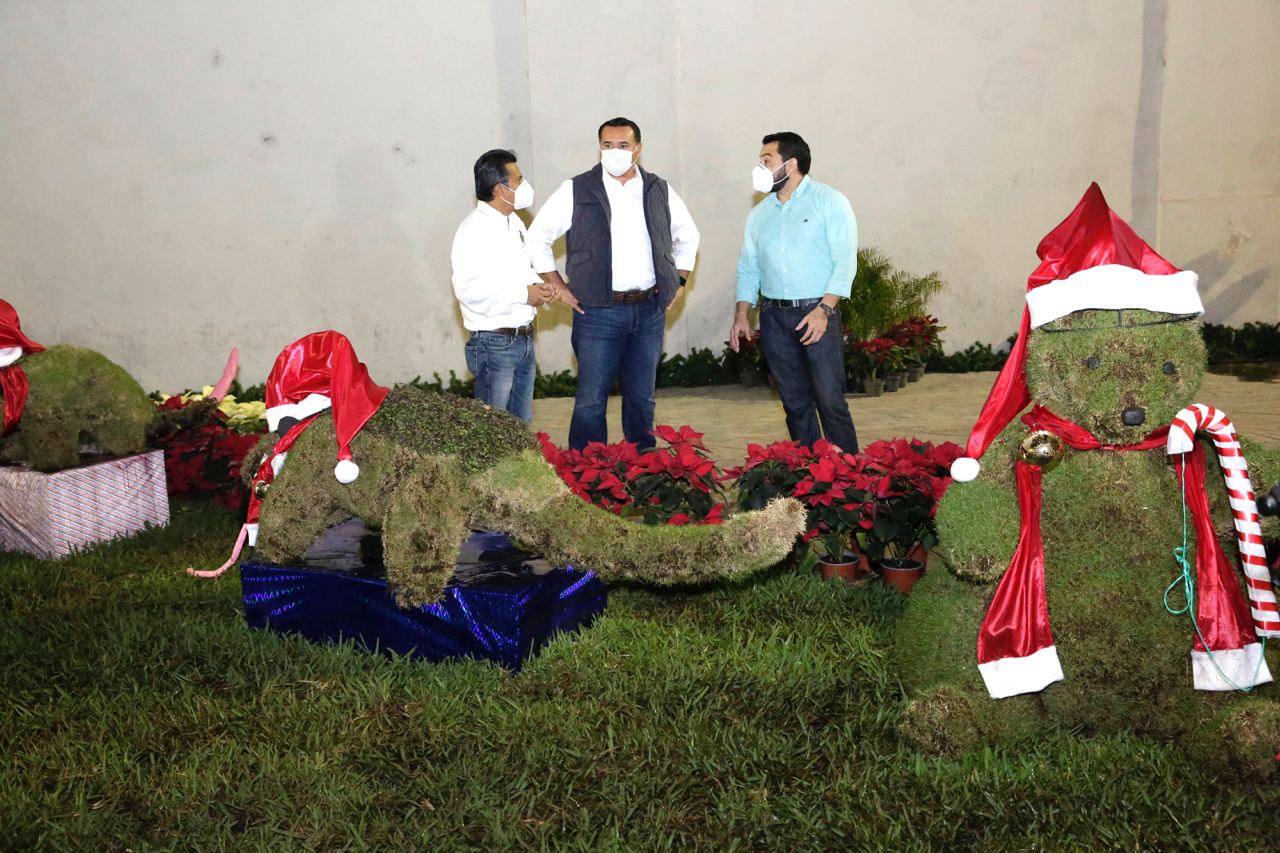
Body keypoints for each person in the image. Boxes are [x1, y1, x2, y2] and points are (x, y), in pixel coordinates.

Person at [526, 117, 700, 450]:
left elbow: (688, 236)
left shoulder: (658, 189)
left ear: (638, 149)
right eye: (607, 145)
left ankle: (643, 463)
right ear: (599, 148)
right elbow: (537, 238)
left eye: (623, 145)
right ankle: (588, 468)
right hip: (597, 312)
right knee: (591, 398)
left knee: (642, 396)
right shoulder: (577, 188)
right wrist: (558, 285)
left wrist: (679, 280)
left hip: (649, 310)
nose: (615, 151)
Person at [729, 131, 860, 453]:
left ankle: (851, 473)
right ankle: (810, 470)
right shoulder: (759, 214)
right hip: (774, 316)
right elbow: (749, 267)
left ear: (790, 165)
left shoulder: (830, 201)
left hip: (816, 313)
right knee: (794, 402)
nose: (760, 167)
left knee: (830, 400)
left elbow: (844, 261)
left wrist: (825, 310)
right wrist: (742, 314)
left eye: (766, 160)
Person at [450, 148, 553, 423]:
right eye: (518, 180)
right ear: (499, 189)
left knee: (519, 425)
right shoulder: (474, 230)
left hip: (523, 338)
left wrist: (538, 286)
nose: (524, 185)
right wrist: (524, 294)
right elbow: (469, 290)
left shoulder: (514, 222)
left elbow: (519, 269)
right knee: (493, 429)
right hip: (495, 343)